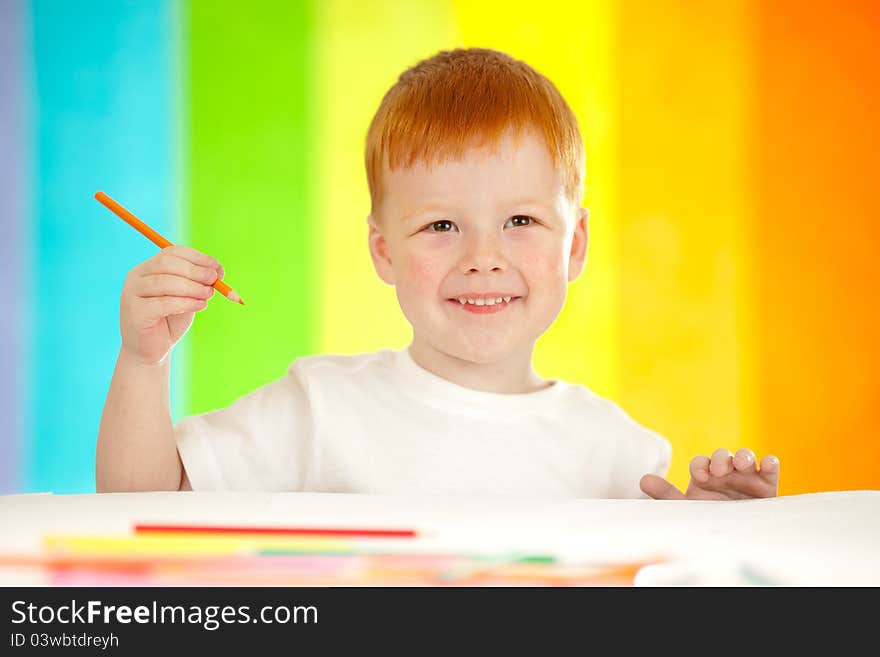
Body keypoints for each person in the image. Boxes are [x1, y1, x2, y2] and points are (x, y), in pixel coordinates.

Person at [96, 47, 779, 501]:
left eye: (521, 222)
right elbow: (139, 506)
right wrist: (142, 360)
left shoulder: (618, 453)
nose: (483, 256)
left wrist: (711, 528)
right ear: (384, 251)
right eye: (441, 226)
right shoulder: (320, 408)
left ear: (575, 244)